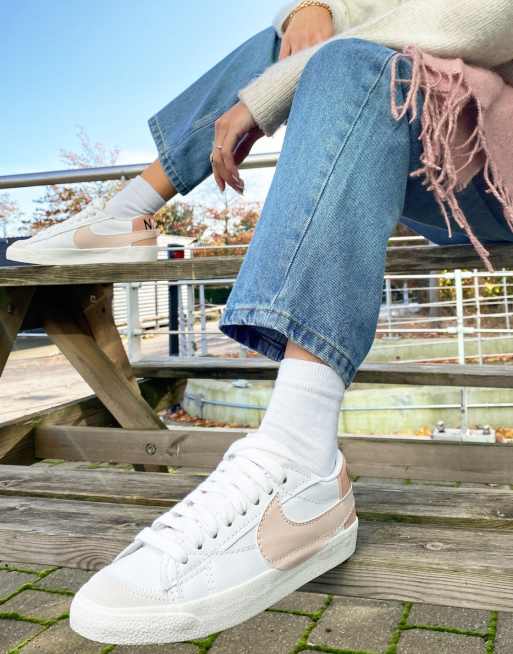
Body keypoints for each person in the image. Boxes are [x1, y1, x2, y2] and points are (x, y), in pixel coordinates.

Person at [11, 0, 513, 646]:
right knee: (304, 42)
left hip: (489, 158)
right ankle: (127, 210)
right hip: (447, 141)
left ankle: (298, 460)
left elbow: (481, 20)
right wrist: (312, 11)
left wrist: (275, 90)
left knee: (348, 64)